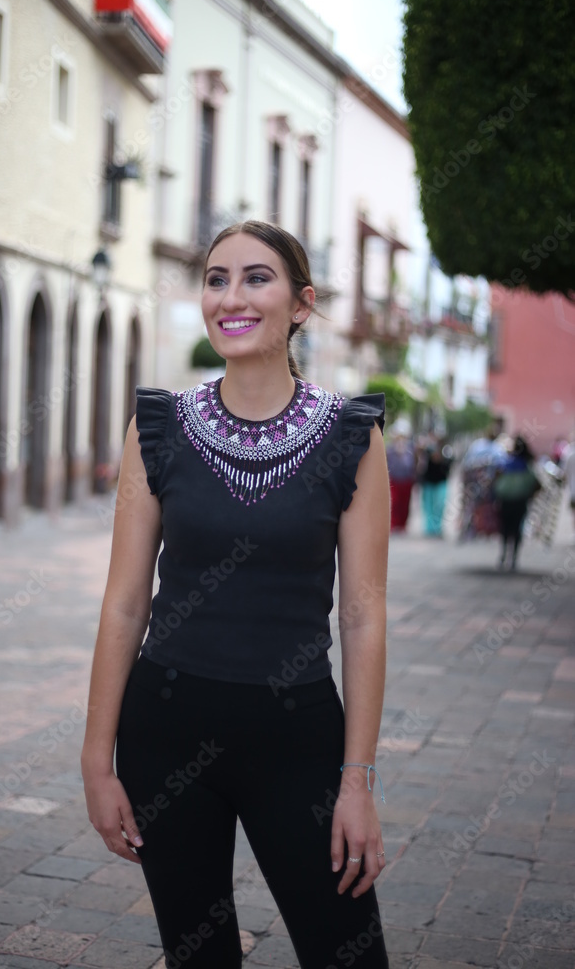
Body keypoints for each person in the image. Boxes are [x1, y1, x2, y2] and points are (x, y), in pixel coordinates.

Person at [80, 220, 390, 969]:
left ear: (301, 304)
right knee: (199, 958)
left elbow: (362, 616)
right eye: (216, 279)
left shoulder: (353, 435)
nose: (230, 296)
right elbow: (125, 603)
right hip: (165, 730)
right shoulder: (156, 428)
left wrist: (356, 782)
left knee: (348, 954)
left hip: (298, 738)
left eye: (257, 277)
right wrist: (96, 762)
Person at [493, 436, 541, 571]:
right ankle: (513, 557)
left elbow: (495, 479)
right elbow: (537, 484)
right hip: (520, 500)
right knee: (517, 528)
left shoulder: (506, 462)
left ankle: (503, 555)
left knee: (505, 527)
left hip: (506, 500)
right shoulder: (527, 464)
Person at [418, 433, 452, 537]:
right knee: (429, 505)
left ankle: (438, 527)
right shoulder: (426, 450)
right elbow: (420, 464)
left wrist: (440, 459)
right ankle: (429, 528)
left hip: (441, 481)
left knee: (440, 505)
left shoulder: (447, 450)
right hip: (429, 482)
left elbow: (449, 466)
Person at [385, 420, 415, 532]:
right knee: (394, 502)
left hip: (407, 479)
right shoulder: (390, 449)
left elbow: (413, 463)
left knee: (405, 503)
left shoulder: (410, 449)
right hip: (394, 479)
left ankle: (403, 524)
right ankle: (394, 523)